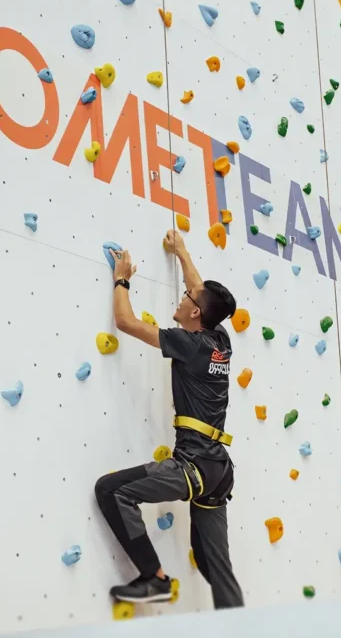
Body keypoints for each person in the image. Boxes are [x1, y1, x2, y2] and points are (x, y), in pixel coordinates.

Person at [94, 229, 244, 610]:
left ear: (195, 313)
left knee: (111, 490)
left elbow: (126, 322)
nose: (182, 296)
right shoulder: (219, 341)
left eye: (187, 299)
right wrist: (182, 252)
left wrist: (122, 278)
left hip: (192, 466)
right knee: (214, 563)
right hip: (218, 472)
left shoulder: (189, 344)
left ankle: (153, 578)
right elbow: (201, 292)